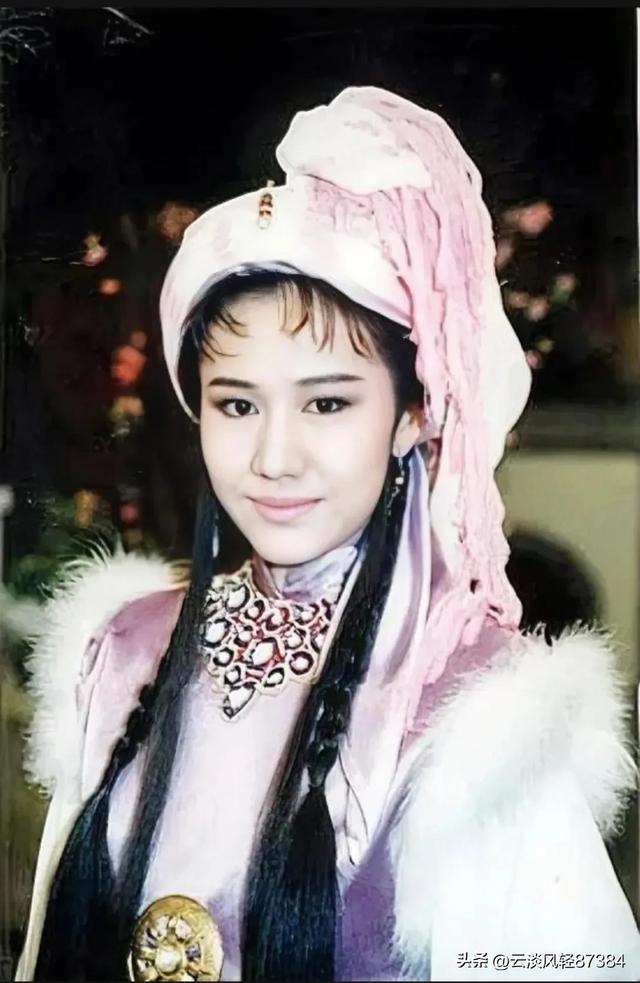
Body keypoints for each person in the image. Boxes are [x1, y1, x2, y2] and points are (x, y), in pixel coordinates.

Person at [15, 87, 640, 982]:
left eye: (327, 403)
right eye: (237, 404)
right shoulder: (122, 652)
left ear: (413, 414)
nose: (274, 457)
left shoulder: (475, 721)